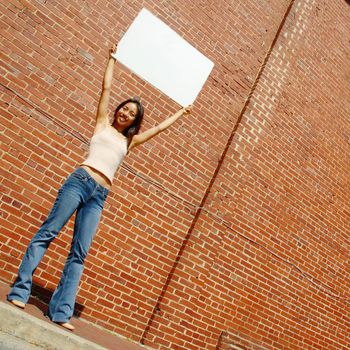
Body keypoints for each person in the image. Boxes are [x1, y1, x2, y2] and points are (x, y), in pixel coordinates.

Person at [7, 44, 191, 331]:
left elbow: (159, 129)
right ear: (117, 111)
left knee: (79, 253)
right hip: (78, 183)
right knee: (49, 232)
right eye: (124, 109)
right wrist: (112, 60)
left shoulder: (130, 141)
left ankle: (61, 312)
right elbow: (105, 91)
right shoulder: (102, 124)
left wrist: (182, 112)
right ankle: (20, 291)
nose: (125, 114)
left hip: (99, 195)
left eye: (131, 114)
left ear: (134, 121)